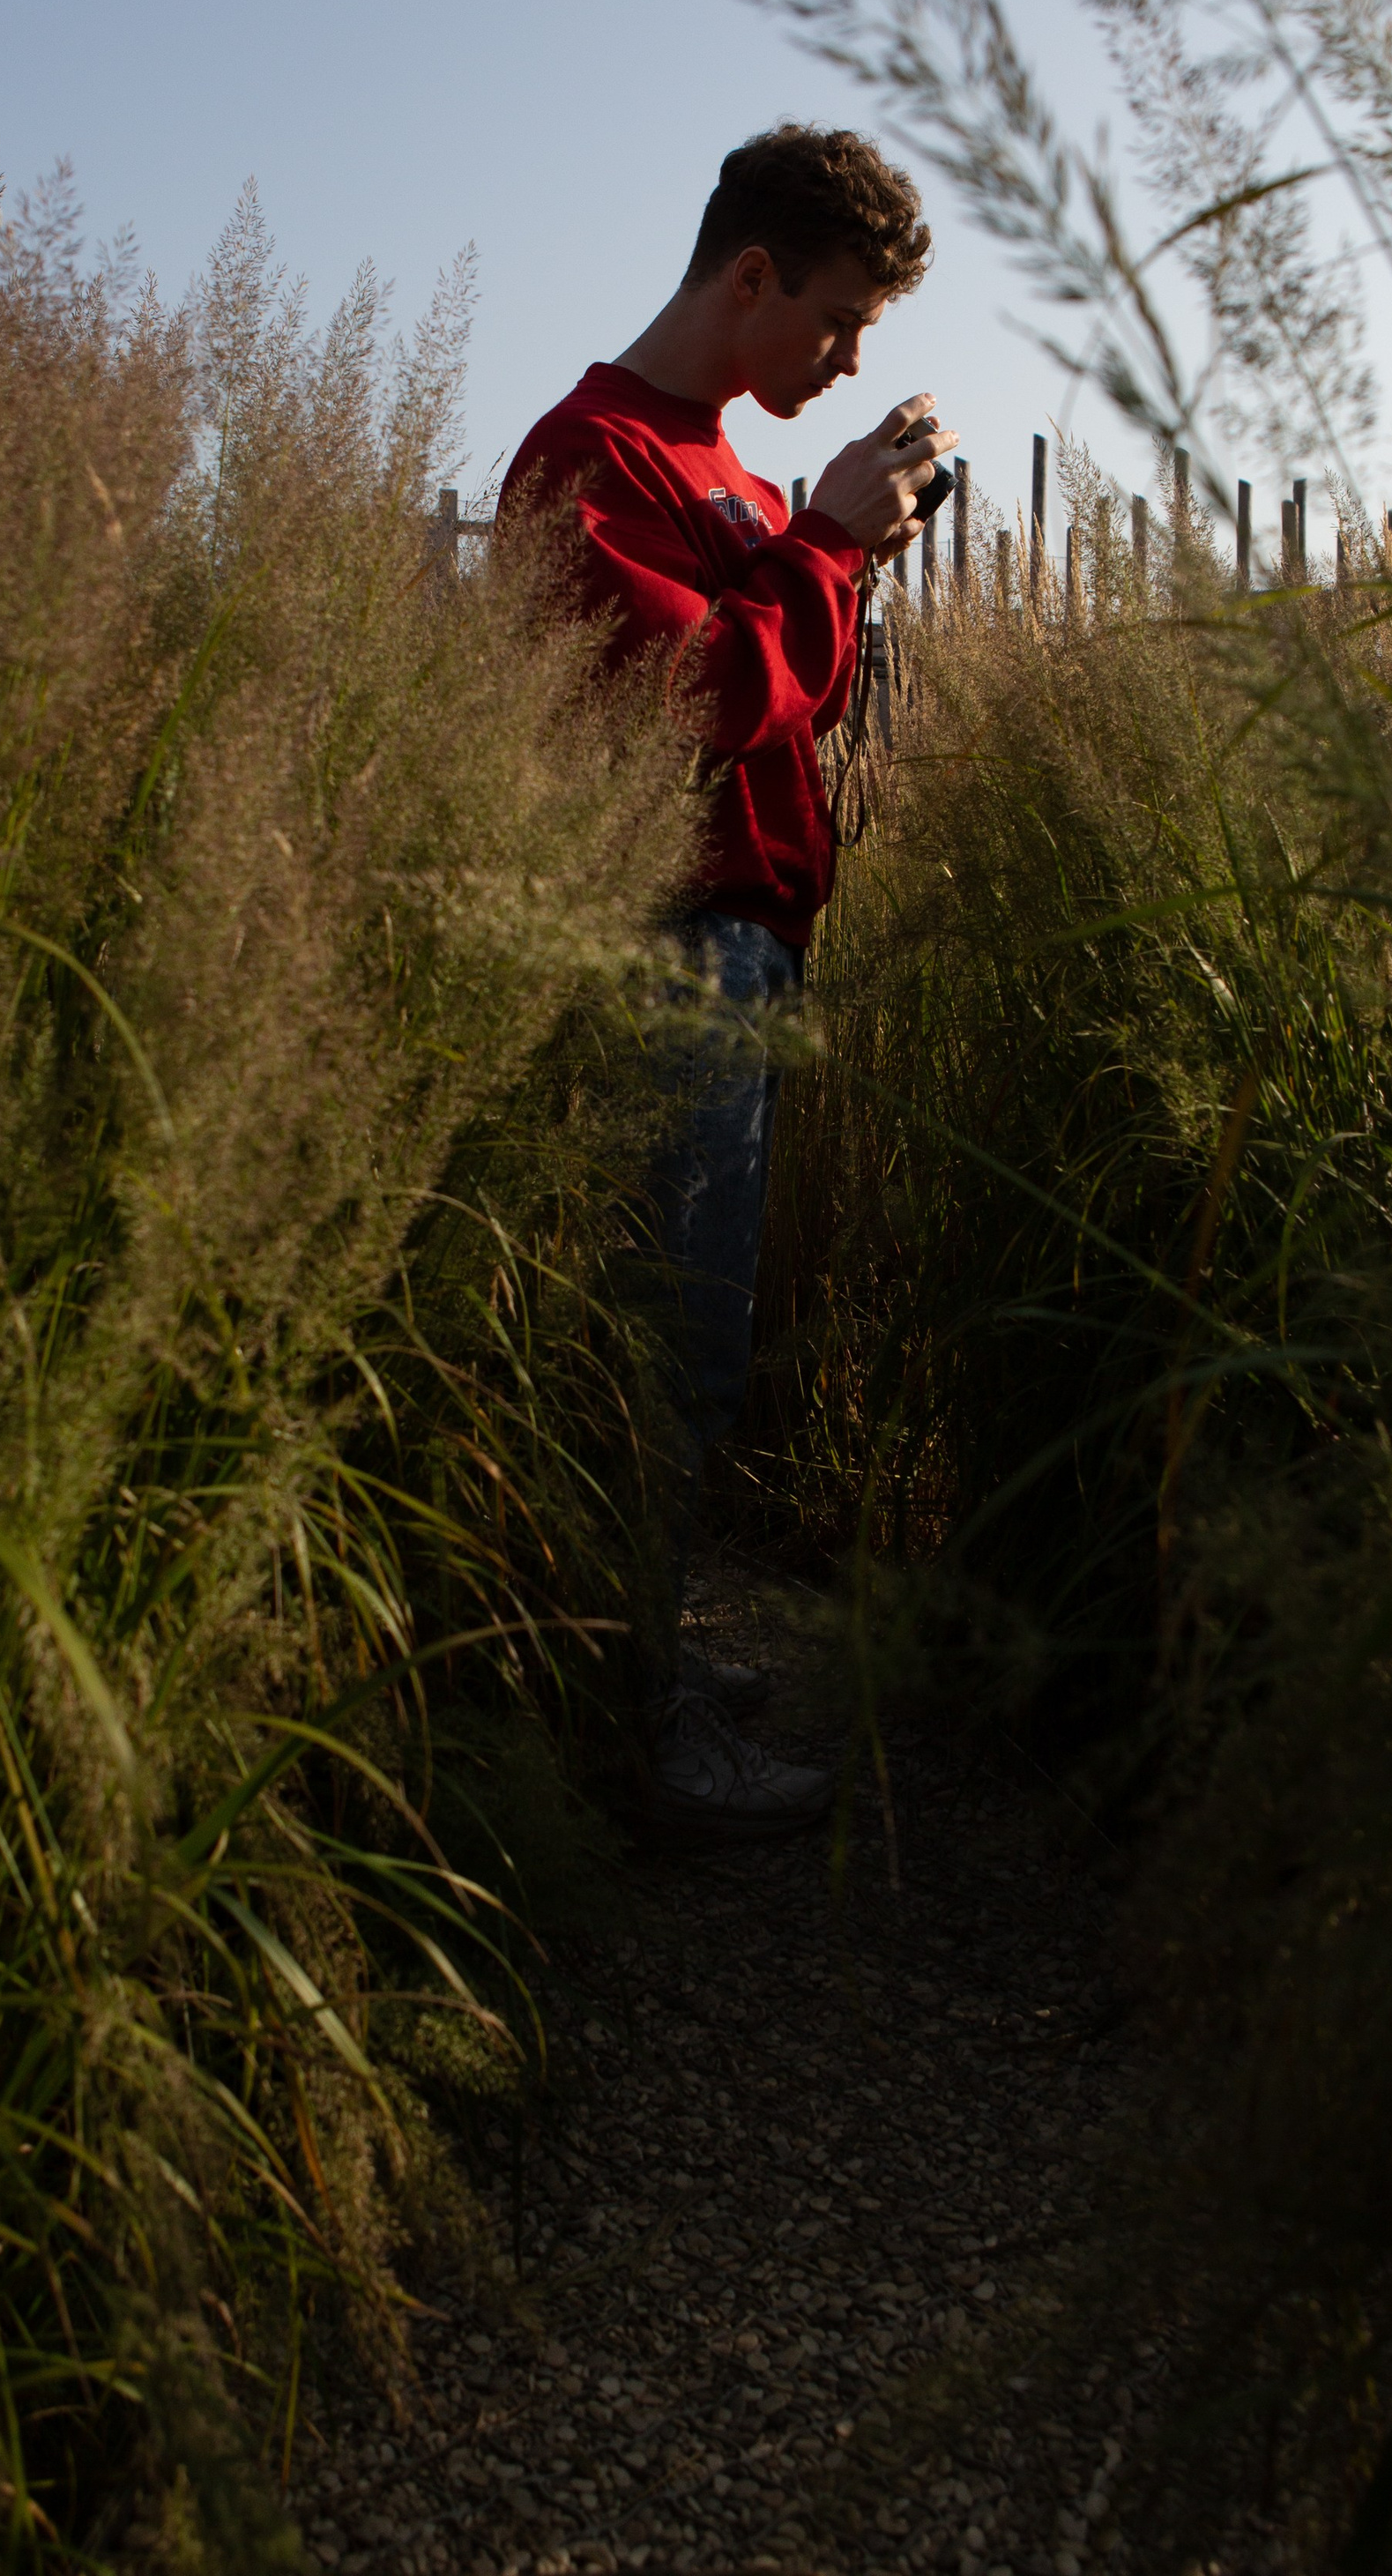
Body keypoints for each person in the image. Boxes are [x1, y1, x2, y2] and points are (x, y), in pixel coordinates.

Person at [496, 123, 950, 1838]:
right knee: (663, 1344)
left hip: (748, 943)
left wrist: (836, 545)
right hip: (668, 942)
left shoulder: (741, 485)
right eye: (834, 325)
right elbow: (688, 714)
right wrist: (825, 550)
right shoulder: (587, 458)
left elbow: (782, 700)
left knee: (700, 1331)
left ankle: (647, 1660)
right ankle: (636, 1731)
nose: (841, 366)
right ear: (748, 276)